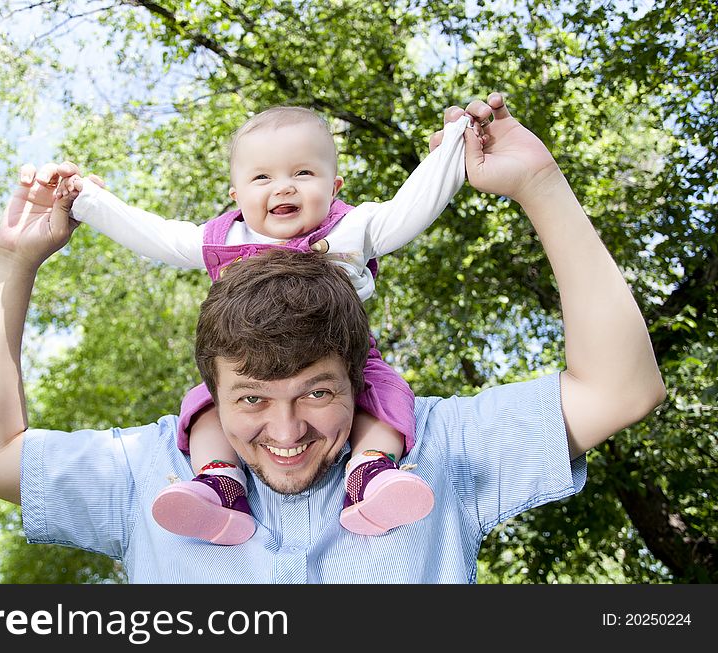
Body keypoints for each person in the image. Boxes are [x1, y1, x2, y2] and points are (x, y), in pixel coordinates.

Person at [0, 93, 665, 583]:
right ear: (214, 384)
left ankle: (369, 475)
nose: (286, 431)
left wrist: (538, 182)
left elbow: (621, 389)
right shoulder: (145, 474)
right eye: (251, 399)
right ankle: (216, 488)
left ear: (355, 379)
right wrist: (13, 265)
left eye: (318, 391)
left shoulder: (437, 452)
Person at [52, 106, 471, 544]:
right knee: (206, 409)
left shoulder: (351, 229)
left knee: (383, 396)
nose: (284, 186)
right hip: (251, 367)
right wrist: (89, 202)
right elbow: (158, 237)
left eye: (304, 172)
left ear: (334, 187)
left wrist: (452, 152)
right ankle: (219, 484)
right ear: (236, 195)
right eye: (262, 178)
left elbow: (411, 210)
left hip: (344, 363)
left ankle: (371, 472)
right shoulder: (228, 241)